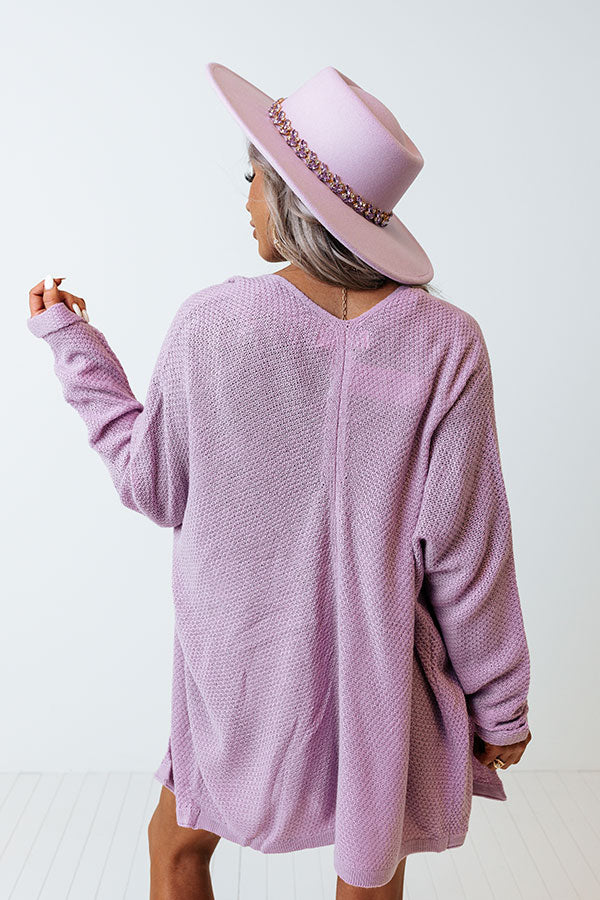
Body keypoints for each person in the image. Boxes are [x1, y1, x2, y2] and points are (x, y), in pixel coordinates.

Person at [27, 62, 532, 900]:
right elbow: (469, 552)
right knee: (369, 872)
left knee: (176, 845)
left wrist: (72, 346)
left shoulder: (212, 324)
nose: (248, 200)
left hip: (238, 674)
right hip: (380, 678)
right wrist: (501, 705)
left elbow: (151, 484)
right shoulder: (447, 342)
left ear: (293, 198)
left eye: (253, 179)